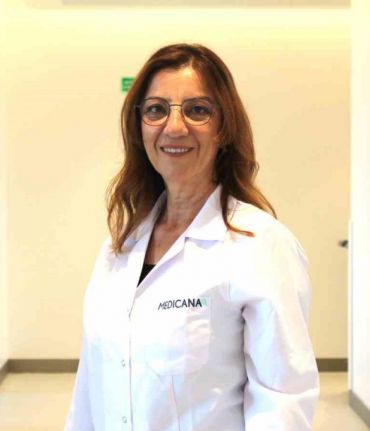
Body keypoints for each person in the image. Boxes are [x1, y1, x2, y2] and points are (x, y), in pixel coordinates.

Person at [65, 43, 319, 431]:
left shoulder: (260, 245)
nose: (174, 127)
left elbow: (282, 400)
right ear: (139, 128)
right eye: (156, 110)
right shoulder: (120, 247)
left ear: (224, 129)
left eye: (197, 110)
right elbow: (91, 386)